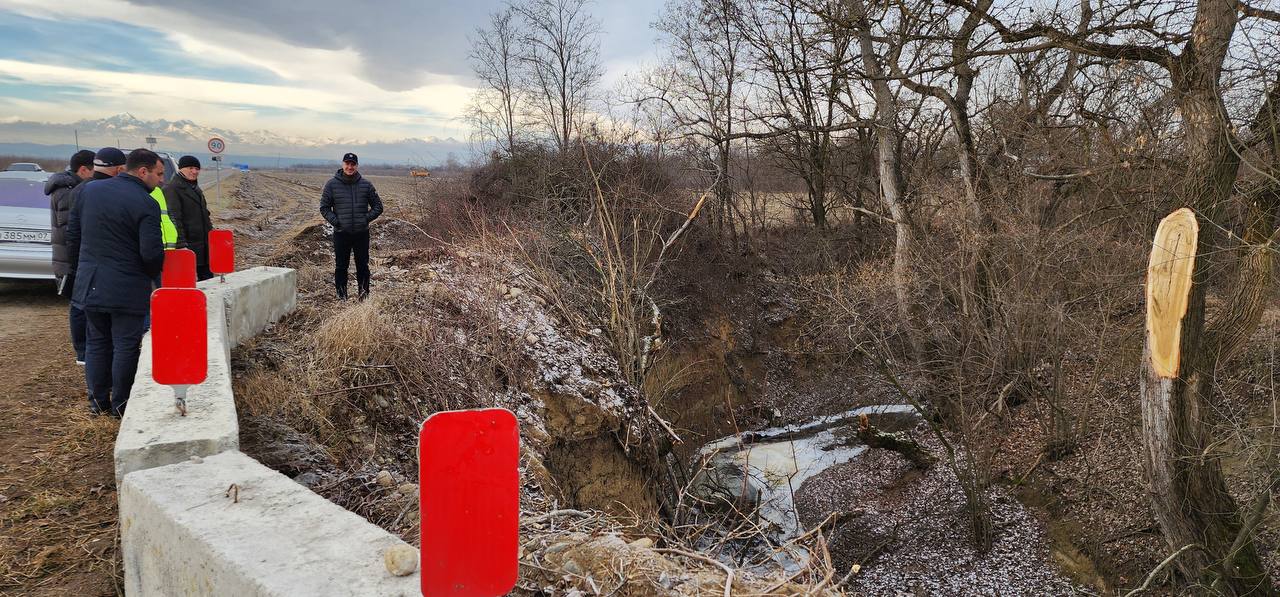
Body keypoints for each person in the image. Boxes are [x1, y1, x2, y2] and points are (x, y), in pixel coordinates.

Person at [72, 149, 166, 416]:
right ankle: (121, 406)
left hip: (90, 283)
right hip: (126, 288)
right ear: (142, 171)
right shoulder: (146, 203)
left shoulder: (89, 192)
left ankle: (97, 404)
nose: (160, 181)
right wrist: (152, 274)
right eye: (158, 174)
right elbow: (151, 254)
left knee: (97, 343)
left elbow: (74, 237)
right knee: (125, 345)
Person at [64, 147, 128, 369]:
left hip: (85, 264)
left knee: (94, 328)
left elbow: (73, 233)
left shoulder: (82, 191)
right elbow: (75, 233)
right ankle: (84, 354)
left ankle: (92, 372)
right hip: (95, 266)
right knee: (95, 324)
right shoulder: (93, 192)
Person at [45, 149, 96, 363]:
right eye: (95, 170)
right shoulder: (68, 191)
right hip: (70, 259)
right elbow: (70, 231)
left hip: (71, 257)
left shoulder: (70, 187)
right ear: (83, 170)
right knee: (78, 305)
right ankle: (82, 352)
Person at [320, 152, 383, 300]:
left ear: (357, 166)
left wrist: (365, 219)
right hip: (341, 234)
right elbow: (324, 208)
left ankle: (364, 297)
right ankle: (342, 298)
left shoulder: (366, 185)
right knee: (341, 267)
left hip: (361, 234)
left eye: (352, 164)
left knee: (363, 266)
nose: (350, 167)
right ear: (343, 164)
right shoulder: (331, 184)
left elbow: (378, 207)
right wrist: (336, 222)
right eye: (347, 163)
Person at [164, 155, 214, 280]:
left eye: (197, 169)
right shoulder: (173, 188)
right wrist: (181, 245)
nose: (194, 171)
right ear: (181, 169)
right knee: (193, 282)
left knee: (207, 280)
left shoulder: (195, 187)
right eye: (190, 168)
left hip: (203, 245)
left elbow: (204, 214)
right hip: (188, 246)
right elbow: (174, 218)